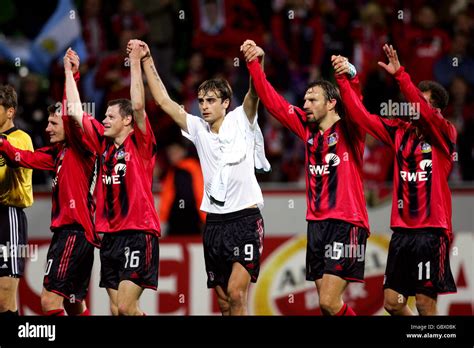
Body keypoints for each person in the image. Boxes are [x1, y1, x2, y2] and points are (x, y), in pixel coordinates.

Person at [134, 38, 269, 315]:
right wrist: (147, 59)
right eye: (201, 101)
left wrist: (258, 60)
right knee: (223, 303)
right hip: (215, 224)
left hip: (245, 219)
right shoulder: (197, 128)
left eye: (210, 101)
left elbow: (256, 92)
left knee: (236, 293)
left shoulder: (241, 119)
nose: (204, 106)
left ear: (226, 103)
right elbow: (163, 101)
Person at [243, 40, 369, 316]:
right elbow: (272, 101)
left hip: (346, 223)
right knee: (327, 308)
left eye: (312, 100)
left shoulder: (351, 130)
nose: (306, 104)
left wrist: (349, 73)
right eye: (304, 100)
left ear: (332, 103)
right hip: (317, 225)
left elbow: (356, 102)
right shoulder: (306, 128)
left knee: (328, 302)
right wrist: (255, 62)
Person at [334, 44, 457, 315]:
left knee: (425, 303)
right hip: (402, 232)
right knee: (392, 303)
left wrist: (400, 73)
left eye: (420, 101)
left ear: (436, 109)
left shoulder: (444, 134)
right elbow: (360, 116)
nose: (411, 105)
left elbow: (422, 112)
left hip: (431, 231)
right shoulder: (399, 131)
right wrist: (345, 79)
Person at [64, 44, 160, 316]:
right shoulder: (102, 146)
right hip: (110, 237)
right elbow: (74, 111)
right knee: (117, 311)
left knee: (129, 307)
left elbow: (139, 105)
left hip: (139, 233)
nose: (103, 120)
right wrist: (70, 74)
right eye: (104, 116)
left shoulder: (140, 143)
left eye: (110, 116)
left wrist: (134, 61)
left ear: (127, 120)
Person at [0, 100, 99, 316]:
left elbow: (72, 109)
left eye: (53, 123)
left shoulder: (81, 149)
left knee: (48, 301)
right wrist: (2, 143)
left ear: (68, 125)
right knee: (74, 304)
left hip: (72, 232)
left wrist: (71, 73)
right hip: (77, 235)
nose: (47, 129)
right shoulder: (58, 153)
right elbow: (25, 158)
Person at [0, 85, 33, 317]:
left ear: (10, 111)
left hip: (8, 216)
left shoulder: (20, 138)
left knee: (5, 295)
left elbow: (15, 161)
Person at [159, 141, 205, 236]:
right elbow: (167, 197)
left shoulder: (186, 169)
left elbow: (199, 193)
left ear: (183, 152)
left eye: (175, 152)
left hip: (185, 221)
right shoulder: (174, 170)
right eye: (170, 153)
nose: (171, 156)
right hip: (186, 221)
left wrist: (204, 218)